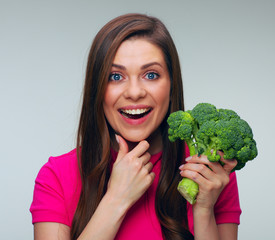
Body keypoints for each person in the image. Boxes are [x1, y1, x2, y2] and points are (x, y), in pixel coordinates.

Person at [30, 13, 241, 240]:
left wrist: (203, 210)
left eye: (151, 75)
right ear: (97, 89)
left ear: (172, 86)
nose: (134, 92)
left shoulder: (209, 172)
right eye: (115, 76)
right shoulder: (56, 177)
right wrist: (116, 199)